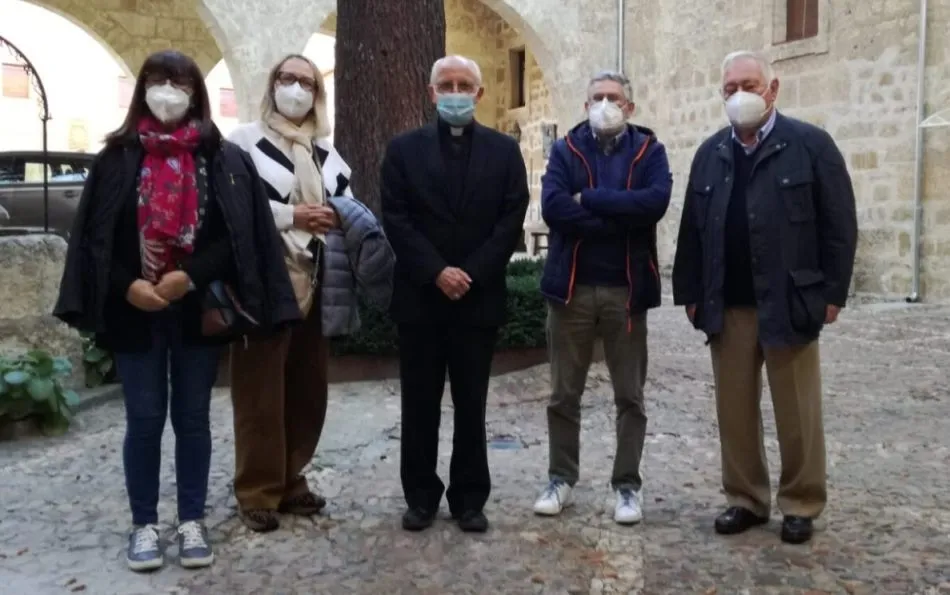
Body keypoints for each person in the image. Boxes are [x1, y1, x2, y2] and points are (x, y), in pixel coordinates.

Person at [53, 50, 300, 571]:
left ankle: (191, 520)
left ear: (197, 91)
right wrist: (128, 287)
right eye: (159, 80)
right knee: (143, 420)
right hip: (135, 310)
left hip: (196, 308)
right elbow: (98, 241)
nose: (169, 90)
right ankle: (144, 524)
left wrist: (189, 276)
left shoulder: (222, 159)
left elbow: (236, 237)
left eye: (180, 81)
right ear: (143, 86)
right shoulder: (117, 158)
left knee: (192, 420)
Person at [672, 50, 857, 544]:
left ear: (772, 89)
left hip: (790, 298)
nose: (740, 96)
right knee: (734, 412)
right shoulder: (710, 152)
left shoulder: (811, 145)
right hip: (726, 303)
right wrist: (689, 291)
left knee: (797, 410)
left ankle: (801, 502)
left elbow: (840, 224)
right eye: (730, 88)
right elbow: (691, 229)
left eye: (749, 85)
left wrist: (834, 291)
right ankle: (745, 498)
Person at [227, 54, 394, 533]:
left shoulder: (327, 154)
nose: (296, 89)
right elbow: (234, 208)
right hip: (265, 282)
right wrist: (291, 217)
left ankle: (290, 475)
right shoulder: (243, 143)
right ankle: (256, 488)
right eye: (287, 78)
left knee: (307, 386)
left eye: (306, 81)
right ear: (272, 83)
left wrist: (338, 216)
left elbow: (342, 205)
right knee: (260, 389)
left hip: (319, 280)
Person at [381, 54, 530, 533]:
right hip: (421, 298)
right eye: (446, 84)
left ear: (480, 94)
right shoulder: (403, 150)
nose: (455, 92)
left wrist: (470, 272)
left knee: (472, 403)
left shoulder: (504, 152)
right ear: (431, 93)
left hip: (477, 297)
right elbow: (396, 218)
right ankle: (420, 496)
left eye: (465, 84)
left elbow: (511, 219)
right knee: (419, 404)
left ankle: (470, 498)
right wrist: (437, 271)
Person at [532, 71, 673, 525]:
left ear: (630, 106)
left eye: (614, 97)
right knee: (562, 394)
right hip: (570, 291)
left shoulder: (649, 150)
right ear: (585, 103)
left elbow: (654, 202)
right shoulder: (565, 149)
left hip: (626, 291)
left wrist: (588, 199)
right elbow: (554, 207)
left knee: (629, 396)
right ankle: (561, 478)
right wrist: (616, 218)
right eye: (597, 97)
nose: (605, 104)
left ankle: (627, 486)